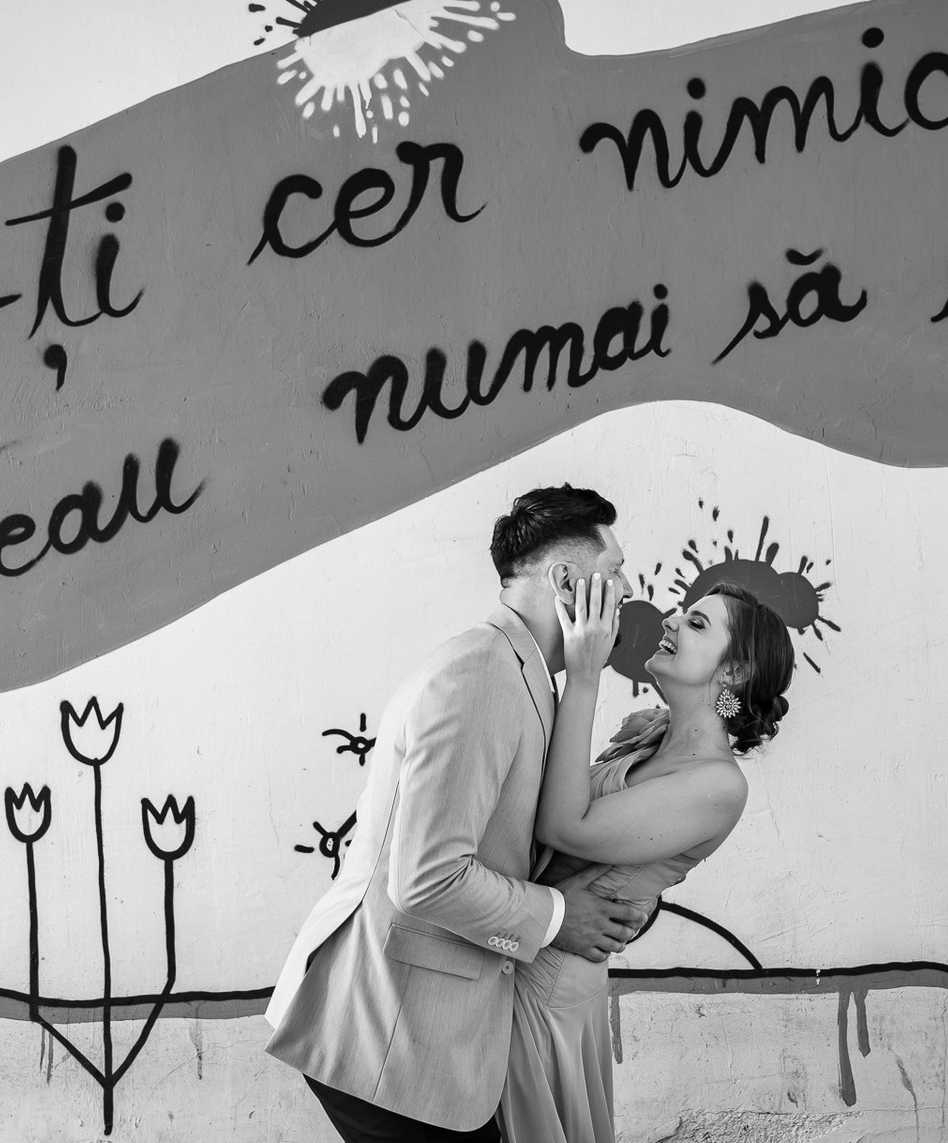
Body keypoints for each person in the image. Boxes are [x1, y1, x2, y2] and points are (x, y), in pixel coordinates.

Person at [265, 484, 650, 1142]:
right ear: (565, 580)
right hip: (387, 1031)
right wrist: (561, 918)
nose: (628, 589)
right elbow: (428, 877)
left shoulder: (525, 673)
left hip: (431, 1033)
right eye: (614, 571)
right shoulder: (481, 674)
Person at [499, 575, 795, 1143]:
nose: (670, 620)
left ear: (733, 672)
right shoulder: (653, 736)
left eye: (696, 623)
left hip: (548, 987)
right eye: (682, 612)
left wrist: (585, 674)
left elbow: (564, 826)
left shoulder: (718, 786)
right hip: (525, 951)